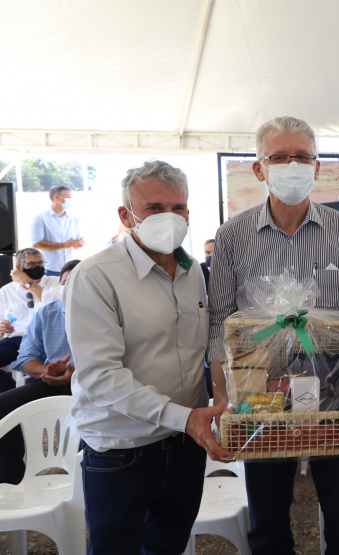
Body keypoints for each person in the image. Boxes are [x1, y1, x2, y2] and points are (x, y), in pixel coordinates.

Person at [207, 116, 339, 555]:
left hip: (337, 390)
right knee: (268, 517)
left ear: (317, 166)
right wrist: (222, 398)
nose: (292, 165)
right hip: (258, 394)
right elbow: (219, 324)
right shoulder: (233, 237)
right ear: (259, 169)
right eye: (279, 157)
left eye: (302, 157)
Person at [64, 160, 230, 555]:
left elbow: (203, 351)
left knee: (168, 547)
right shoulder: (96, 276)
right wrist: (185, 416)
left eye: (179, 208)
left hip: (186, 444)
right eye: (155, 208)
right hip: (123, 449)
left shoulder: (193, 272)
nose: (169, 218)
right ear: (127, 215)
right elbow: (101, 375)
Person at [0, 259, 78, 485]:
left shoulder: (108, 313)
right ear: (59, 285)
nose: (70, 286)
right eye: (65, 281)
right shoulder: (46, 314)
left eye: (77, 280)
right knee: (3, 407)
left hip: (95, 384)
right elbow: (24, 360)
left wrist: (79, 374)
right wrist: (48, 371)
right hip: (51, 383)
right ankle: (11, 480)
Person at [0, 248, 61, 392]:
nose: (37, 267)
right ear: (18, 268)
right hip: (15, 340)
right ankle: (10, 395)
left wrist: (28, 283)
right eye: (31, 264)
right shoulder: (6, 291)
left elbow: (54, 304)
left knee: (41, 369)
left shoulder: (55, 283)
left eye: (40, 263)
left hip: (43, 341)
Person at [30, 185, 84, 276]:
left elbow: (80, 240)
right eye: (68, 198)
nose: (70, 201)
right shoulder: (41, 218)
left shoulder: (73, 218)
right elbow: (36, 243)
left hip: (72, 268)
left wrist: (80, 243)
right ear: (57, 197)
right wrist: (63, 245)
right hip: (51, 269)